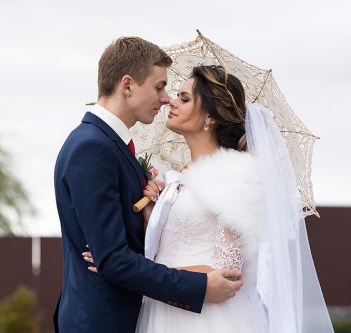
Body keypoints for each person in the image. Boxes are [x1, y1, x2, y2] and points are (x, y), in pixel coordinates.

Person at [84, 65, 334, 332]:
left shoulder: (237, 177)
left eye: (184, 98)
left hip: (207, 318)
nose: (171, 101)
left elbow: (226, 275)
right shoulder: (175, 178)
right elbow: (169, 246)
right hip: (162, 309)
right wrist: (150, 216)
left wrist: (128, 271)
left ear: (210, 117)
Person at [54, 38, 243, 332]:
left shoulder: (111, 146)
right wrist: (200, 285)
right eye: (159, 87)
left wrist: (148, 219)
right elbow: (114, 259)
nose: (166, 98)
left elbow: (120, 251)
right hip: (100, 320)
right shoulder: (92, 147)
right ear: (127, 85)